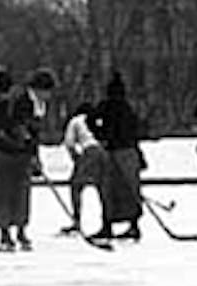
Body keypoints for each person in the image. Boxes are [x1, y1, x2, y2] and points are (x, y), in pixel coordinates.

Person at [0, 68, 45, 252]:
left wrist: (34, 154)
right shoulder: (18, 100)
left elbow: (34, 132)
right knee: (4, 195)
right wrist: (22, 137)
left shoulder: (36, 103)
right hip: (5, 153)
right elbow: (11, 124)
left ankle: (21, 232)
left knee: (21, 194)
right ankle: (5, 234)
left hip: (21, 155)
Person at [87, 71, 144, 242]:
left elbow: (90, 119)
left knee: (110, 190)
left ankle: (108, 225)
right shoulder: (128, 107)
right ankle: (133, 225)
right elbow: (137, 129)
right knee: (129, 189)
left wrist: (100, 134)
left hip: (113, 152)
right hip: (128, 151)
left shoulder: (107, 106)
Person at [59, 100, 106, 235]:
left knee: (76, 185)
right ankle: (106, 222)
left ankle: (77, 220)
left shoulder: (75, 121)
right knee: (102, 187)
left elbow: (69, 143)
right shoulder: (97, 119)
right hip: (103, 151)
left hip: (89, 151)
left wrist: (77, 160)